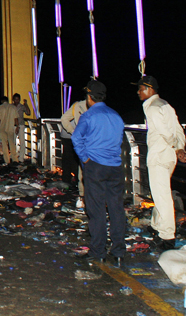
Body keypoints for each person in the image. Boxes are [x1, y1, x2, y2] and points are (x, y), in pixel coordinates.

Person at [72, 79, 126, 267]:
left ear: (89, 97)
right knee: (116, 209)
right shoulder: (116, 116)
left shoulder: (88, 116)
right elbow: (120, 140)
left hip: (95, 166)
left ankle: (98, 251)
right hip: (115, 167)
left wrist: (85, 159)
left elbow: (76, 138)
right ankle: (119, 252)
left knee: (96, 211)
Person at [135, 75, 186, 250]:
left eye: (141, 89)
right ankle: (156, 226)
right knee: (160, 193)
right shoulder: (166, 105)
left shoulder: (152, 108)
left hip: (159, 155)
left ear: (150, 90)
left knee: (162, 196)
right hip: (170, 156)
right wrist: (179, 147)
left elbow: (166, 132)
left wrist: (175, 146)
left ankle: (167, 236)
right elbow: (178, 129)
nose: (138, 92)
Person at [60, 96, 88, 188]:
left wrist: (73, 131)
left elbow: (64, 119)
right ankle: (75, 181)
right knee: (74, 160)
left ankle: (69, 180)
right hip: (74, 138)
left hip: (68, 136)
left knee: (69, 159)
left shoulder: (76, 107)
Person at [0, 96, 19, 163]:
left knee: (4, 144)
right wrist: (17, 127)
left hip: (2, 128)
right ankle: (15, 158)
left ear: (2, 101)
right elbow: (16, 118)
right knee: (12, 143)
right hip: (10, 127)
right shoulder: (13, 107)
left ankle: (7, 160)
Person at [12, 93, 31, 161]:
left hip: (21, 125)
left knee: (22, 141)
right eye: (15, 99)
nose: (17, 101)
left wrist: (26, 104)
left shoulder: (21, 106)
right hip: (13, 125)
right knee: (12, 141)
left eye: (18, 99)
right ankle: (13, 156)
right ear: (13, 100)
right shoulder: (11, 106)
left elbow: (28, 113)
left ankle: (21, 157)